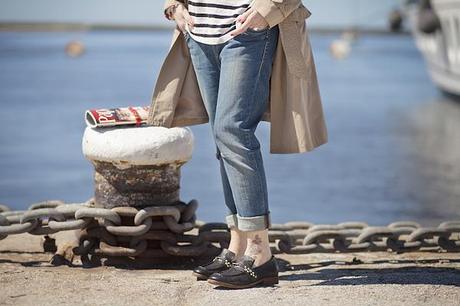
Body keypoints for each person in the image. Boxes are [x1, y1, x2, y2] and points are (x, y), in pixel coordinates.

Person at [155, 0, 328, 289]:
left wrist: (269, 7)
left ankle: (260, 253)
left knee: (232, 129)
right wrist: (174, 5)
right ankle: (237, 246)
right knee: (222, 138)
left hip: (247, 29)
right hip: (199, 33)